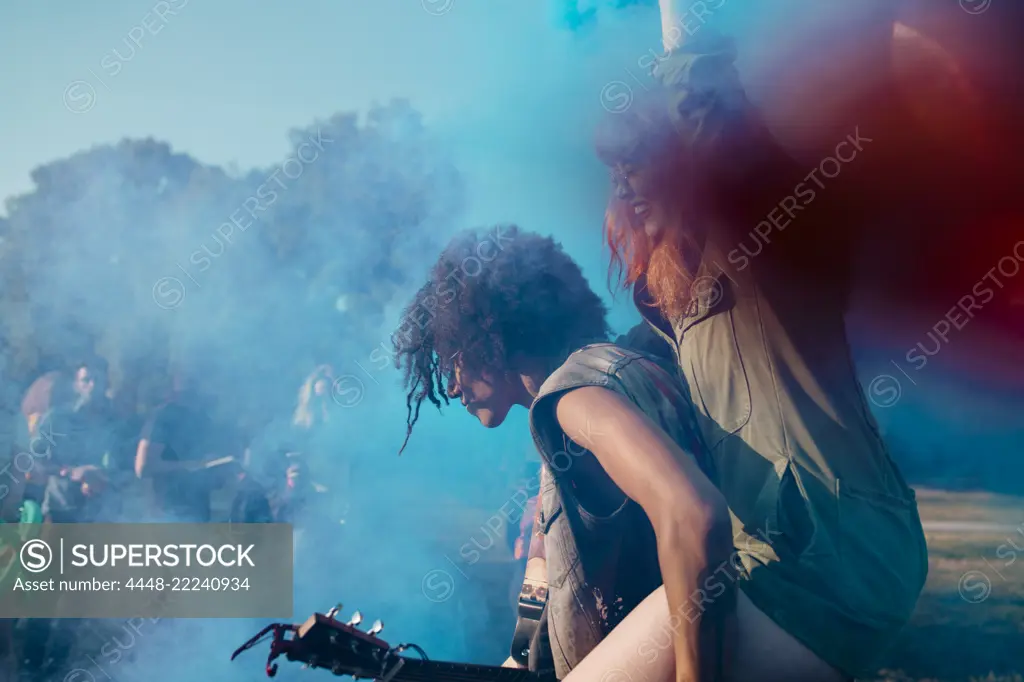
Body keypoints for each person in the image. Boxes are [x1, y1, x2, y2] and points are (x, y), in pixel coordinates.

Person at [582, 1, 929, 680]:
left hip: (829, 550)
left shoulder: (757, 239)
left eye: (642, 159)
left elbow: (703, 92)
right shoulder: (675, 305)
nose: (625, 180)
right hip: (780, 555)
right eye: (615, 168)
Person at [393, 225, 724, 679]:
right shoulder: (619, 370)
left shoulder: (572, 397)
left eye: (454, 355)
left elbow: (693, 514)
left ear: (491, 336)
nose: (451, 387)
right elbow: (535, 638)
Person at [134, 366, 229, 522]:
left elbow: (212, 478)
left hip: (199, 514)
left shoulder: (205, 419)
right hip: (166, 515)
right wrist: (192, 465)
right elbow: (143, 467)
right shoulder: (164, 416)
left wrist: (217, 469)